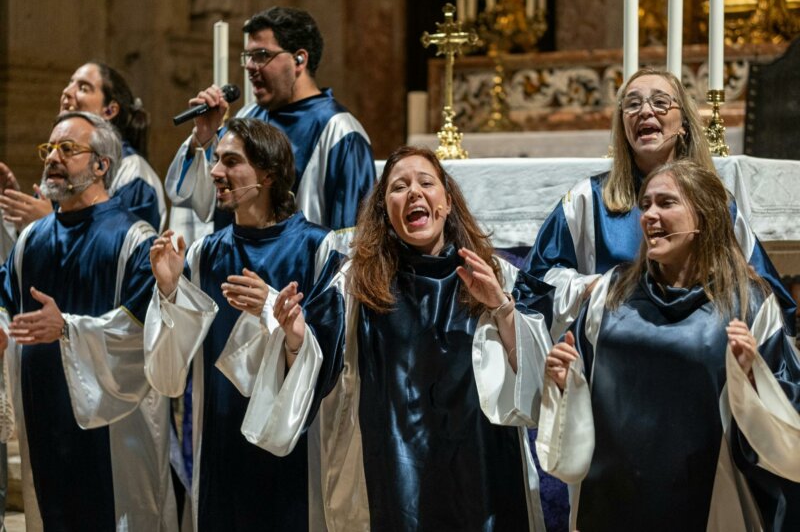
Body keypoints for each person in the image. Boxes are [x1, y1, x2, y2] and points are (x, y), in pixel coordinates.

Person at [223, 146, 553, 530]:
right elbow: (313, 362)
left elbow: (538, 382)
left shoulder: (492, 277)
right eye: (399, 187)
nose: (414, 192)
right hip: (391, 470)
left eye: (426, 183)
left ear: (446, 201)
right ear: (385, 210)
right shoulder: (354, 284)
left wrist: (501, 308)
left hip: (480, 467)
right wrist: (295, 336)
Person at [538, 160, 800, 531]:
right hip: (612, 496)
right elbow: (578, 394)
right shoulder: (610, 295)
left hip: (709, 498)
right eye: (645, 205)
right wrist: (565, 381)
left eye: (666, 203)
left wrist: (754, 379)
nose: (649, 216)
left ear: (704, 216)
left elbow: (789, 418)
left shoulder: (747, 303)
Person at [145, 118, 341, 530]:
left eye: (230, 161)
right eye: (216, 160)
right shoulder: (202, 255)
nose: (215, 172)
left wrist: (277, 314)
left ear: (268, 173)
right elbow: (169, 370)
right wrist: (169, 292)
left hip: (294, 442)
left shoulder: (319, 249)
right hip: (220, 436)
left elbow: (333, 359)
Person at [0, 112, 176, 530]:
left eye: (68, 149)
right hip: (44, 413)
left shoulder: (137, 240)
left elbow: (145, 336)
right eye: (49, 149)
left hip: (114, 430)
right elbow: (6, 303)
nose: (53, 158)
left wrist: (67, 329)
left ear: (102, 166)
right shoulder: (31, 239)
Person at [525, 68, 796, 340]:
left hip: (699, 352)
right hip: (617, 349)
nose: (645, 111)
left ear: (684, 125)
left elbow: (768, 297)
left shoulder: (717, 204)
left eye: (660, 102)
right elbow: (534, 284)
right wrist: (596, 287)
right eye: (632, 104)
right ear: (623, 126)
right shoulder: (589, 199)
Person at [166, 6, 375, 247]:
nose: (250, 66)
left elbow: (351, 238)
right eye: (249, 56)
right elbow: (200, 206)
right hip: (233, 267)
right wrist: (204, 136)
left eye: (262, 55)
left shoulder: (340, 131)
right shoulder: (248, 117)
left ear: (300, 59)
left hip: (300, 279)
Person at [0, 61, 167, 232]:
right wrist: (14, 209)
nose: (66, 91)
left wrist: (50, 223)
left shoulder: (133, 172)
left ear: (109, 111)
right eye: (69, 83)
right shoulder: (63, 162)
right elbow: (29, 251)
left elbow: (125, 245)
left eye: (83, 88)